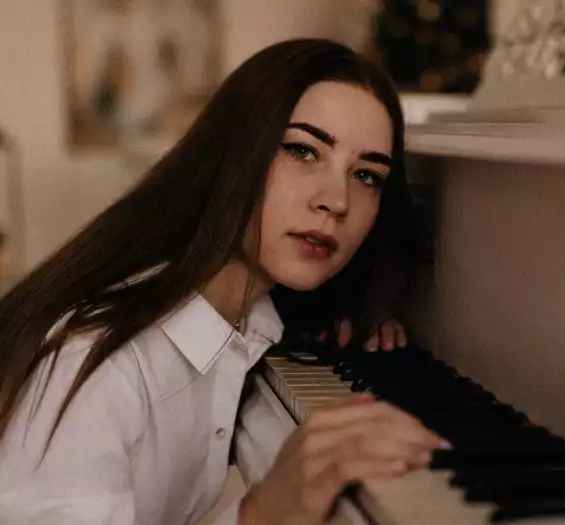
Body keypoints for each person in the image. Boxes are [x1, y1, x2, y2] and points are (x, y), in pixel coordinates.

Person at [0, 39, 448, 525]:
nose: (336, 201)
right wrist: (263, 513)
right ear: (234, 152)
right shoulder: (95, 362)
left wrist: (359, 315)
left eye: (366, 176)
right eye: (303, 150)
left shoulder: (247, 315)